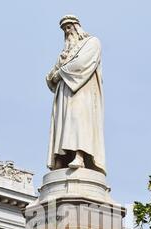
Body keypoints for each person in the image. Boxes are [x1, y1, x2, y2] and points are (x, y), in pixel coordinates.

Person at [46, 15, 106, 174]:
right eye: (64, 29)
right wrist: (53, 74)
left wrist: (60, 73)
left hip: (82, 91)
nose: (67, 31)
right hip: (64, 94)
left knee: (79, 121)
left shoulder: (92, 42)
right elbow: (53, 73)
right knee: (63, 123)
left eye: (69, 27)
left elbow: (82, 64)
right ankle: (61, 158)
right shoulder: (65, 52)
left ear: (77, 26)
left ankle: (80, 156)